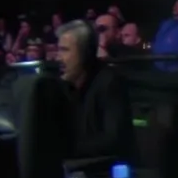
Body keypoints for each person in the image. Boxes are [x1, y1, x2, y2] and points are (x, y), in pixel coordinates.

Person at [54, 20, 136, 162]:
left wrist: (63, 149)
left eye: (65, 50)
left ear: (85, 53)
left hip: (105, 169)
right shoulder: (63, 86)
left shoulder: (110, 82)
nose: (58, 58)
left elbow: (113, 140)